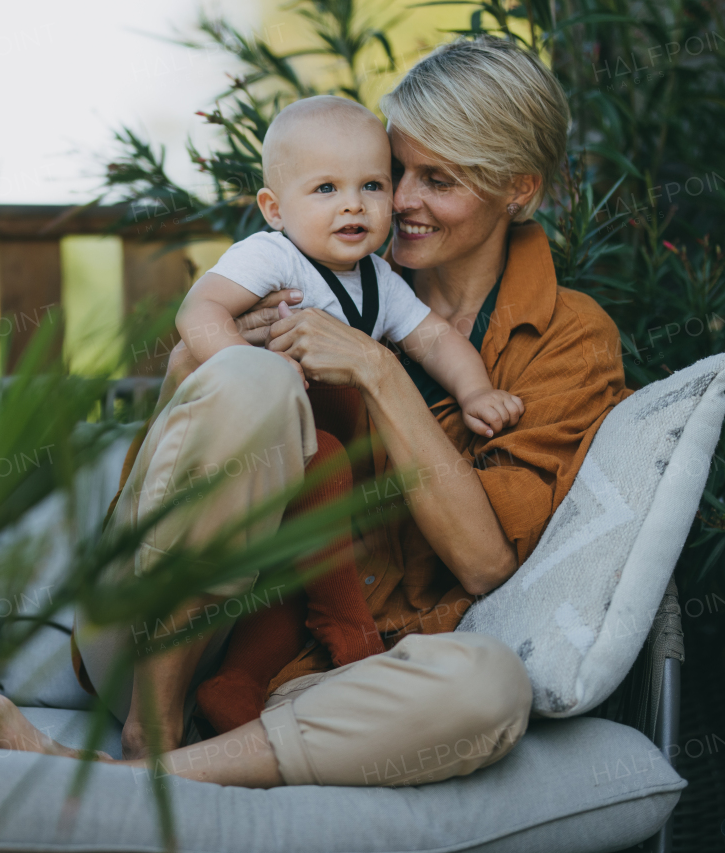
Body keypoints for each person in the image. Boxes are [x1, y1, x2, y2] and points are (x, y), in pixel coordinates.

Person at [0, 35, 629, 789]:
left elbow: (484, 561)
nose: (395, 202)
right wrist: (233, 361)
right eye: (398, 172)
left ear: (518, 190)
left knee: (488, 689)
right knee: (249, 380)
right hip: (162, 616)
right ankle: (152, 725)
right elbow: (184, 400)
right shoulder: (308, 261)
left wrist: (373, 368)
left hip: (317, 663)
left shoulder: (568, 338)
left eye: (437, 180)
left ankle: (138, 781)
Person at [174, 94, 524, 731]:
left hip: (308, 504)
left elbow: (437, 340)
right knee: (326, 464)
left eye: (372, 186)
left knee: (289, 589)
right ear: (275, 209)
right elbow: (199, 312)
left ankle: (237, 684)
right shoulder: (271, 258)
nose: (354, 204)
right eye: (327, 188)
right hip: (260, 453)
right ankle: (349, 630)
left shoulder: (378, 281)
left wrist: (475, 393)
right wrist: (245, 372)